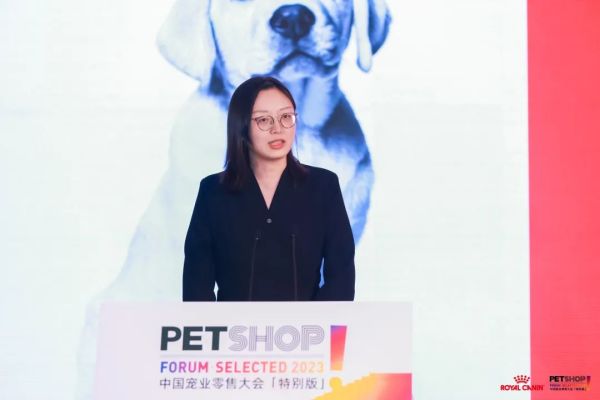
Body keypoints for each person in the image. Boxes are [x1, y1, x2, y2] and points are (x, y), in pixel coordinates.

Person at [182, 76, 355, 301]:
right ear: (241, 126)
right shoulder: (213, 192)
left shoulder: (324, 186)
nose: (277, 129)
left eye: (286, 117)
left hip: (306, 324)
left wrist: (316, 321)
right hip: (234, 324)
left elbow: (341, 277)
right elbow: (196, 285)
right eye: (264, 120)